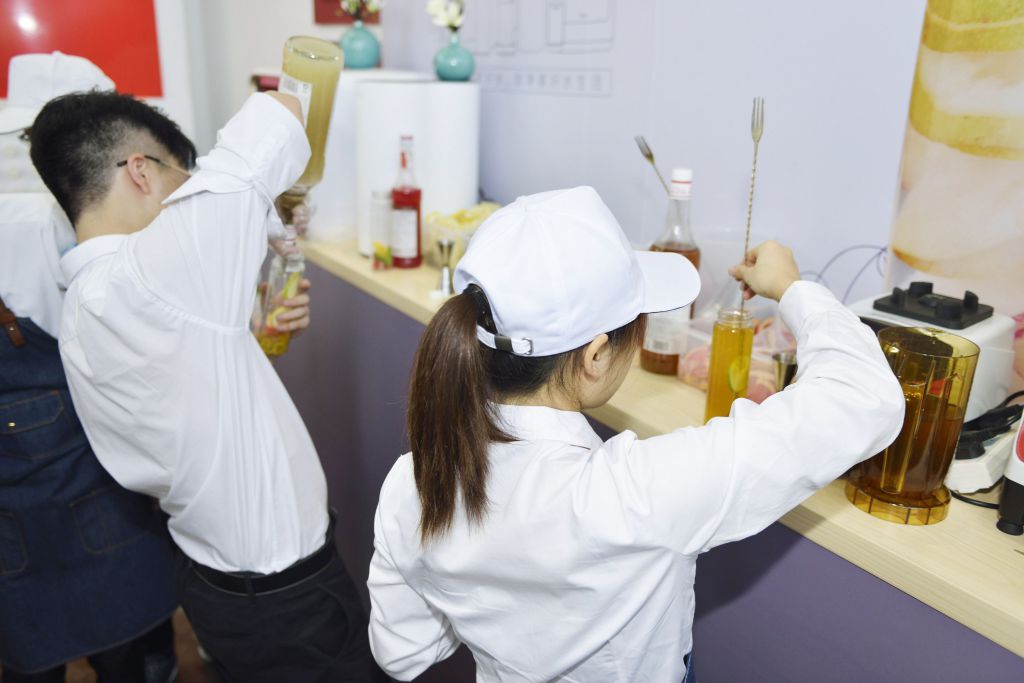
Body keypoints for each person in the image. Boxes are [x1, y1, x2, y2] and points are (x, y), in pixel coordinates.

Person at [366, 186, 905, 681]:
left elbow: (401, 653)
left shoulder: (410, 485)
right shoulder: (639, 494)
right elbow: (865, 395)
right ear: (596, 356)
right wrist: (792, 287)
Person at [27, 85, 372, 681]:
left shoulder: (81, 303)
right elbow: (281, 111)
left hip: (211, 582)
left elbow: (183, 394)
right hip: (287, 601)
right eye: (180, 175)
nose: (187, 192)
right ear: (141, 170)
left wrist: (248, 333)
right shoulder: (152, 273)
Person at [0, 52, 180, 683]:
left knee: (33, 653)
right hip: (97, 483)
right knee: (135, 656)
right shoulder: (76, 210)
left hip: (21, 506)